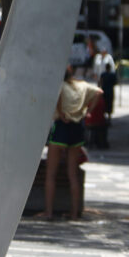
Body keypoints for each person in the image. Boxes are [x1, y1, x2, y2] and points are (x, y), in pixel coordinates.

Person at [40, 66, 101, 220]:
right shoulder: (82, 86)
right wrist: (88, 110)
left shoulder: (60, 85)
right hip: (76, 129)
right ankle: (74, 213)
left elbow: (58, 100)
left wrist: (60, 112)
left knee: (51, 173)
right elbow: (100, 92)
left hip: (61, 126)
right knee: (73, 174)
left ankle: (49, 212)